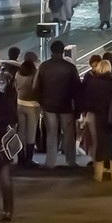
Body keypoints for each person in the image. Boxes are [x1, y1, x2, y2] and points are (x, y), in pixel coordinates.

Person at [34, 40, 79, 169]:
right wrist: (76, 106)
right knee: (69, 135)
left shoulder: (44, 66)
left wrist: (41, 102)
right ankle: (70, 161)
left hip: (48, 106)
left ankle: (50, 162)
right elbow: (76, 88)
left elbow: (36, 86)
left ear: (50, 50)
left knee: (51, 134)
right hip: (66, 106)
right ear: (63, 50)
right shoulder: (70, 67)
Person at [80, 57, 112, 182]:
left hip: (98, 116)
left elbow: (87, 101)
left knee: (100, 144)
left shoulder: (93, 82)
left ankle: (98, 174)